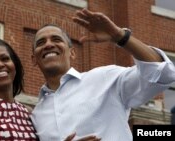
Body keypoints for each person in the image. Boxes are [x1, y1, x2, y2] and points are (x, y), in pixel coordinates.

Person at [30, 8, 175, 141]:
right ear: (34, 59)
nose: (48, 45)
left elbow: (164, 73)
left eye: (56, 39)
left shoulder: (106, 78)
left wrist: (119, 36)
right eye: (41, 42)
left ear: (72, 53)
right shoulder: (36, 116)